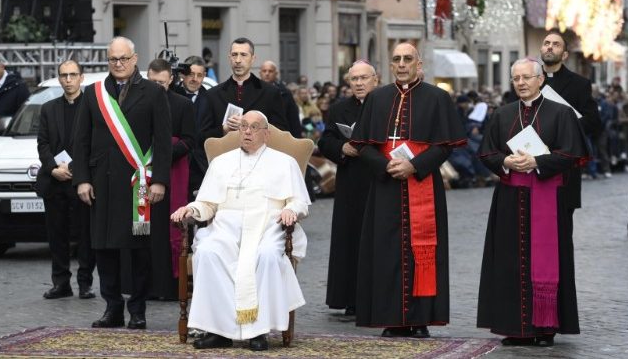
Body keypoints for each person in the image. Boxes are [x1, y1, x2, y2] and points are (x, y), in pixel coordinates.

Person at [350, 43, 466, 338]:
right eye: (396, 60)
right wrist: (385, 165)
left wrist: (414, 166)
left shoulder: (438, 98)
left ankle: (419, 319)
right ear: (391, 65)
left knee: (422, 252)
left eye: (407, 59)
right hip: (385, 186)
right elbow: (363, 144)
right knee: (386, 251)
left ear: (419, 63)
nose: (402, 64)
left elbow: (445, 145)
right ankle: (392, 319)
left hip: (422, 182)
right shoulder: (377, 98)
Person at [171, 110, 309, 351]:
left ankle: (259, 331)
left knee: (266, 256)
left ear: (266, 134)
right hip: (226, 227)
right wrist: (191, 210)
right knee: (208, 252)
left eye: (254, 127)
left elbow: (299, 201)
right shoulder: (221, 163)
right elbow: (207, 203)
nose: (247, 131)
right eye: (243, 126)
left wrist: (291, 210)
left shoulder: (284, 162)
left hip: (268, 226)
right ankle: (219, 331)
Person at [477, 58, 588, 346]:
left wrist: (537, 162)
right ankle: (515, 328)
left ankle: (544, 328)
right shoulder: (502, 114)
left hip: (547, 199)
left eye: (526, 77)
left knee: (545, 263)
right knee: (509, 263)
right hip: (510, 201)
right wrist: (506, 161)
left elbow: (572, 154)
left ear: (540, 80)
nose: (521, 83)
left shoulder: (561, 113)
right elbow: (487, 153)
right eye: (516, 78)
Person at [72, 37, 172, 330]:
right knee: (104, 248)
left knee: (139, 249)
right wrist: (81, 180)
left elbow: (163, 141)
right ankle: (112, 307)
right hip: (102, 184)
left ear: (135, 58)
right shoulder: (94, 94)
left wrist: (160, 181)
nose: (118, 64)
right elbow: (81, 140)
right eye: (113, 59)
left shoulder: (153, 92)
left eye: (123, 59)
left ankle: (138, 309)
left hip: (138, 185)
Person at [318, 60, 378, 316]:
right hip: (351, 179)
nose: (359, 83)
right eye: (354, 79)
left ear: (375, 80)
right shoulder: (339, 108)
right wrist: (342, 148)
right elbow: (326, 140)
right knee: (349, 238)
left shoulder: (386, 105)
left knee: (376, 239)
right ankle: (350, 298)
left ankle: (376, 297)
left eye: (364, 78)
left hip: (378, 178)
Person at [36, 60, 96, 300]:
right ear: (59, 79)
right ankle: (61, 283)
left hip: (81, 181)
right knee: (56, 235)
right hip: (54, 182)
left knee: (85, 236)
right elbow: (42, 143)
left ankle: (85, 283)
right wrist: (52, 168)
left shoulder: (92, 107)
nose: (68, 79)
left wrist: (74, 168)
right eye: (64, 75)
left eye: (73, 75)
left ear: (82, 77)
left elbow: (94, 144)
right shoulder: (48, 108)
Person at [146, 58, 196, 299]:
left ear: (171, 80)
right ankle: (149, 285)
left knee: (172, 230)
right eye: (152, 82)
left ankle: (173, 285)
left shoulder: (183, 105)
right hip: (144, 176)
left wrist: (164, 152)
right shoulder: (140, 103)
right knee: (147, 232)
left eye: (161, 83)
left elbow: (189, 140)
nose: (157, 87)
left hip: (175, 175)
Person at [540, 32, 600, 212]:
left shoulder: (579, 84)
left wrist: (562, 128)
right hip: (533, 160)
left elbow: (593, 122)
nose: (550, 46)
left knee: (562, 223)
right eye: (546, 43)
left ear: (565, 55)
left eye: (556, 44)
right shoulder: (528, 80)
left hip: (564, 161)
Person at [200, 38, 289, 143]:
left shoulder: (270, 93)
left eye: (243, 55)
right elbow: (202, 136)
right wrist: (224, 130)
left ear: (253, 58)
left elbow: (281, 132)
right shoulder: (213, 94)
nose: (238, 60)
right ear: (229, 58)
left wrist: (250, 127)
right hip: (225, 156)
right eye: (234, 55)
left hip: (259, 156)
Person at [173, 55, 209, 199]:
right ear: (183, 74)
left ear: (204, 76)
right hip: (176, 161)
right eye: (191, 74)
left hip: (201, 166)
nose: (195, 79)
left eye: (199, 75)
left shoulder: (210, 99)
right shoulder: (171, 94)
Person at [259, 60, 302, 137]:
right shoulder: (253, 91)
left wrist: (297, 139)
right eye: (264, 71)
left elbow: (293, 119)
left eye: (270, 71)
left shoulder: (285, 93)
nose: (267, 74)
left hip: (280, 134)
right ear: (260, 73)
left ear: (276, 74)